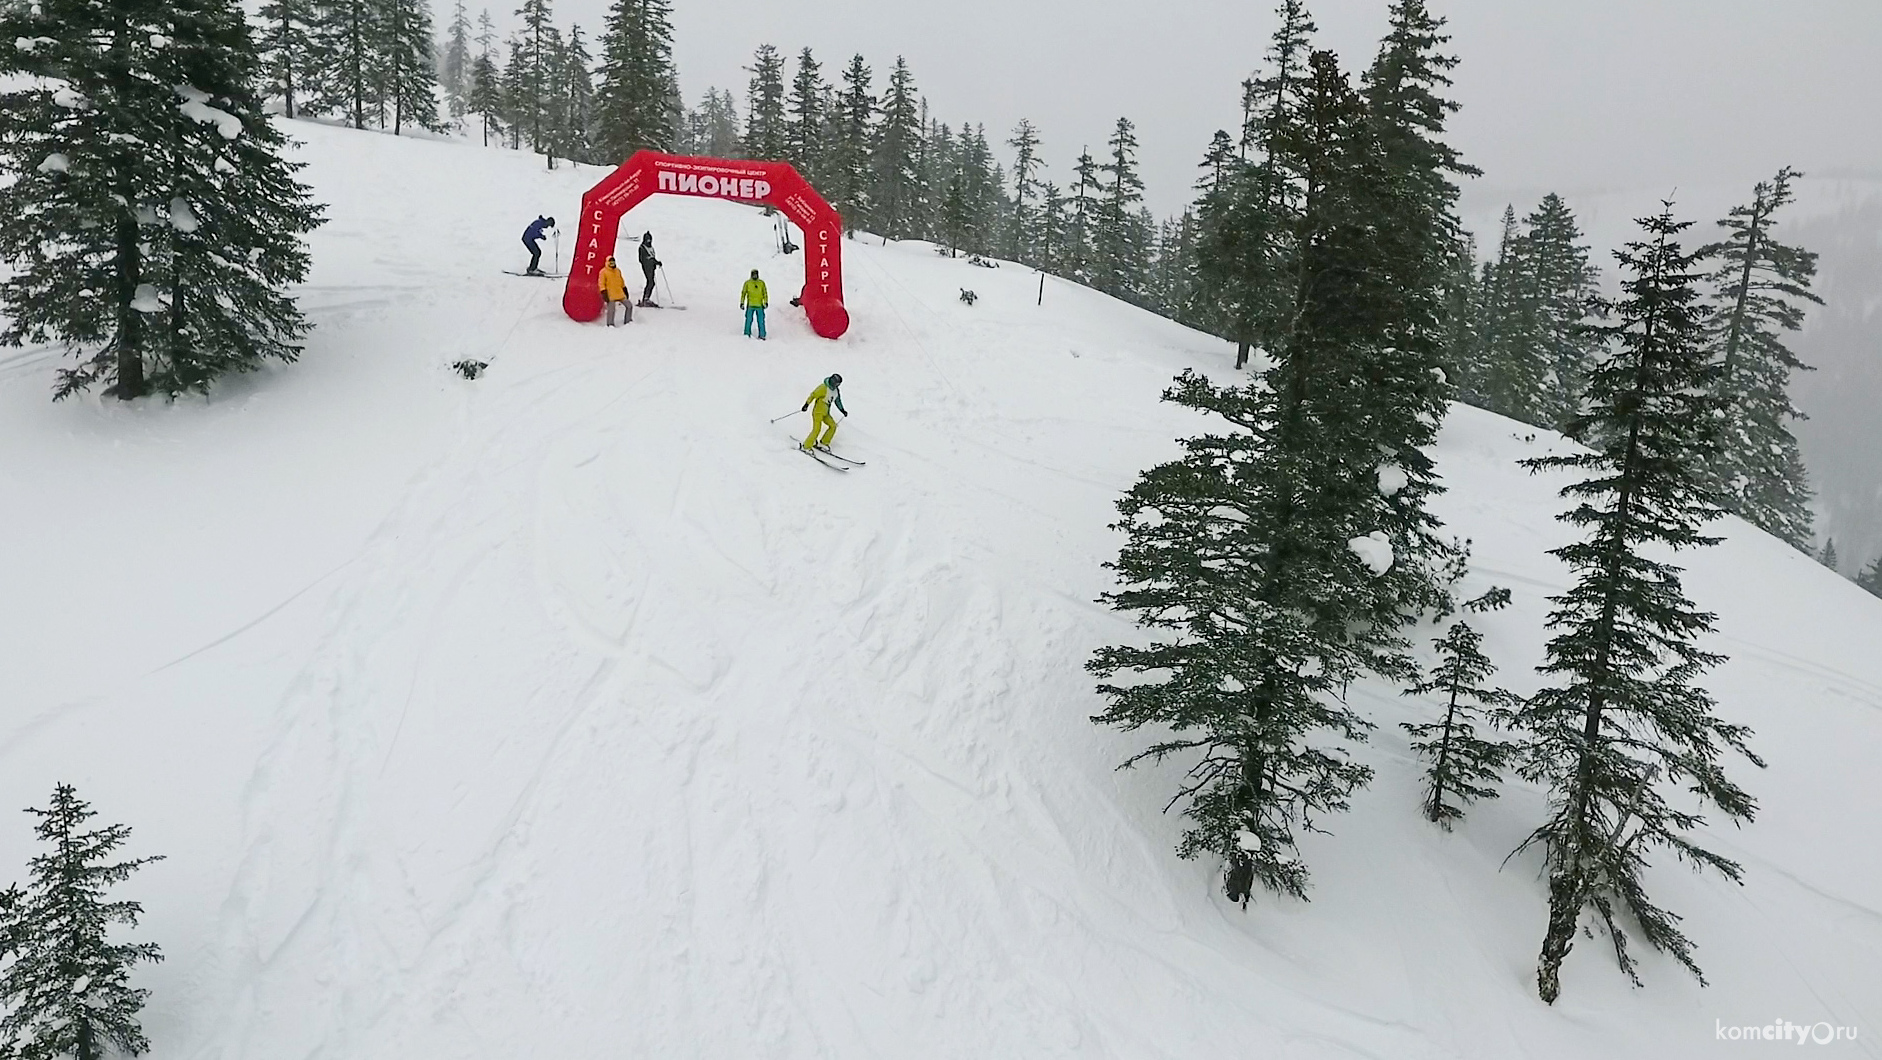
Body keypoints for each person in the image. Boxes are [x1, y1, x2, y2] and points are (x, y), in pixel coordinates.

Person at [800, 373, 846, 452]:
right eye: (835, 383)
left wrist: (842, 410)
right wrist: (806, 404)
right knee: (816, 429)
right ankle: (806, 446)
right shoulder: (823, 388)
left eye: (838, 384)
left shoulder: (836, 391)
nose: (836, 385)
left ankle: (823, 442)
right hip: (818, 412)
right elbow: (813, 395)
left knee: (833, 426)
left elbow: (837, 401)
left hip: (826, 413)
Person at [598, 256, 631, 326]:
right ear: (607, 263)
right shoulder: (603, 272)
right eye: (611, 262)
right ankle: (610, 324)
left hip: (619, 293)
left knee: (629, 306)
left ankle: (628, 321)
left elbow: (621, 281)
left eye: (613, 262)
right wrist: (604, 293)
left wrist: (625, 289)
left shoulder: (617, 271)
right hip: (610, 295)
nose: (612, 264)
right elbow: (601, 283)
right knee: (611, 310)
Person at [741, 268, 769, 340]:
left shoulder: (761, 283)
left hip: (760, 305)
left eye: (756, 274)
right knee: (749, 319)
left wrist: (765, 302)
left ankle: (762, 334)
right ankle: (747, 333)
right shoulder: (747, 283)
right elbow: (743, 293)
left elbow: (765, 293)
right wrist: (742, 302)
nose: (755, 276)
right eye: (753, 274)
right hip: (750, 305)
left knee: (761, 320)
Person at [637, 232, 660, 306]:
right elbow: (642, 259)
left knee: (651, 283)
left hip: (652, 267)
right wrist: (651, 262)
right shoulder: (642, 248)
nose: (649, 241)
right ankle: (645, 298)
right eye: (647, 240)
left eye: (650, 240)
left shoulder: (651, 248)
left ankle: (646, 298)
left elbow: (652, 257)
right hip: (647, 268)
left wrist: (656, 262)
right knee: (650, 282)